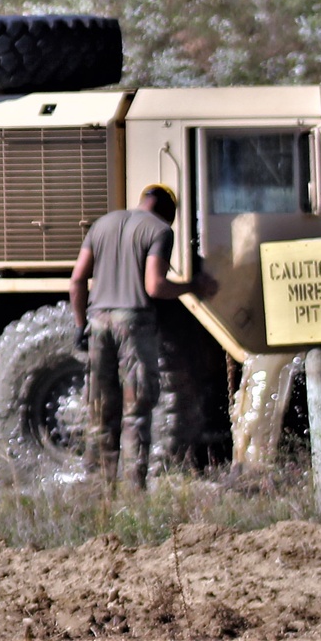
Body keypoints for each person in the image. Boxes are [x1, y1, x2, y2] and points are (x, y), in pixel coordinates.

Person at [69, 184, 218, 490]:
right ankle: (134, 490)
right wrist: (192, 286)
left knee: (99, 408)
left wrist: (80, 324)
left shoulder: (102, 224)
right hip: (133, 325)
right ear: (169, 212)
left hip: (98, 322)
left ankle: (100, 487)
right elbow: (155, 286)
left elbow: (77, 279)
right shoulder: (160, 230)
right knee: (135, 410)